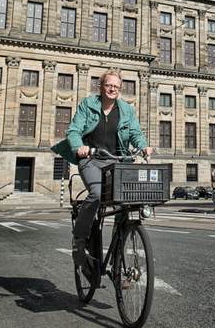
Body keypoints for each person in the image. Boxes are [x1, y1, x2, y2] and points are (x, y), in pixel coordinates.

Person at [51, 68, 153, 283]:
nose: (112, 89)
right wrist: (79, 147)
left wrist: (144, 147)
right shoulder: (88, 104)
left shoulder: (126, 110)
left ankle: (119, 249)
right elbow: (74, 130)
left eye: (116, 86)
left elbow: (135, 133)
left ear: (120, 88)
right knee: (97, 193)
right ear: (102, 86)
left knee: (126, 201)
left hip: (117, 159)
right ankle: (79, 238)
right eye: (109, 85)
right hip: (91, 160)